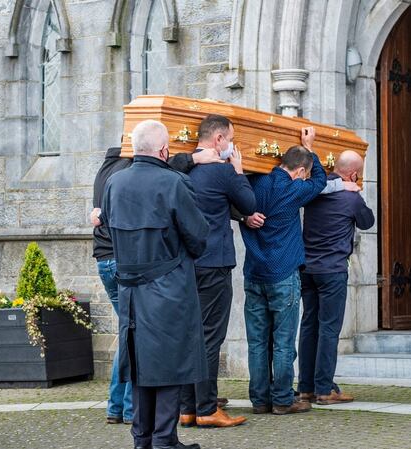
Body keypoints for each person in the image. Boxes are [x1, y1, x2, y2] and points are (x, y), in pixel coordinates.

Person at [90, 142, 221, 426]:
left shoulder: (113, 179)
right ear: (163, 150)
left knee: (134, 345)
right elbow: (197, 235)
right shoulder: (174, 182)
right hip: (165, 281)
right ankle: (161, 435)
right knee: (166, 354)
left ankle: (137, 427)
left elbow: (106, 222)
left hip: (126, 277)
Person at [240, 128, 327, 416]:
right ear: (300, 170)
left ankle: (259, 400)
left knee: (257, 341)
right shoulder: (294, 189)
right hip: (283, 273)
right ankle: (281, 399)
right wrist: (310, 146)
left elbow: (234, 196)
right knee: (283, 340)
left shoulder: (254, 182)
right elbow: (321, 180)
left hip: (254, 272)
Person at [178, 115, 253, 429]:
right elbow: (248, 204)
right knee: (210, 338)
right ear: (219, 140)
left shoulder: (182, 169)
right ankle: (207, 409)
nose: (232, 145)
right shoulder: (222, 172)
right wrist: (237, 170)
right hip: (214, 262)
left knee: (189, 335)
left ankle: (187, 408)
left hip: (186, 264)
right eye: (231, 139)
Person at [297, 150, 374, 405]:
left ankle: (306, 386)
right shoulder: (350, 198)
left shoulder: (315, 191)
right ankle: (324, 388)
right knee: (329, 329)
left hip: (307, 268)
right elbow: (367, 222)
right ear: (353, 174)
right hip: (331, 270)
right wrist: (357, 193)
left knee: (309, 326)